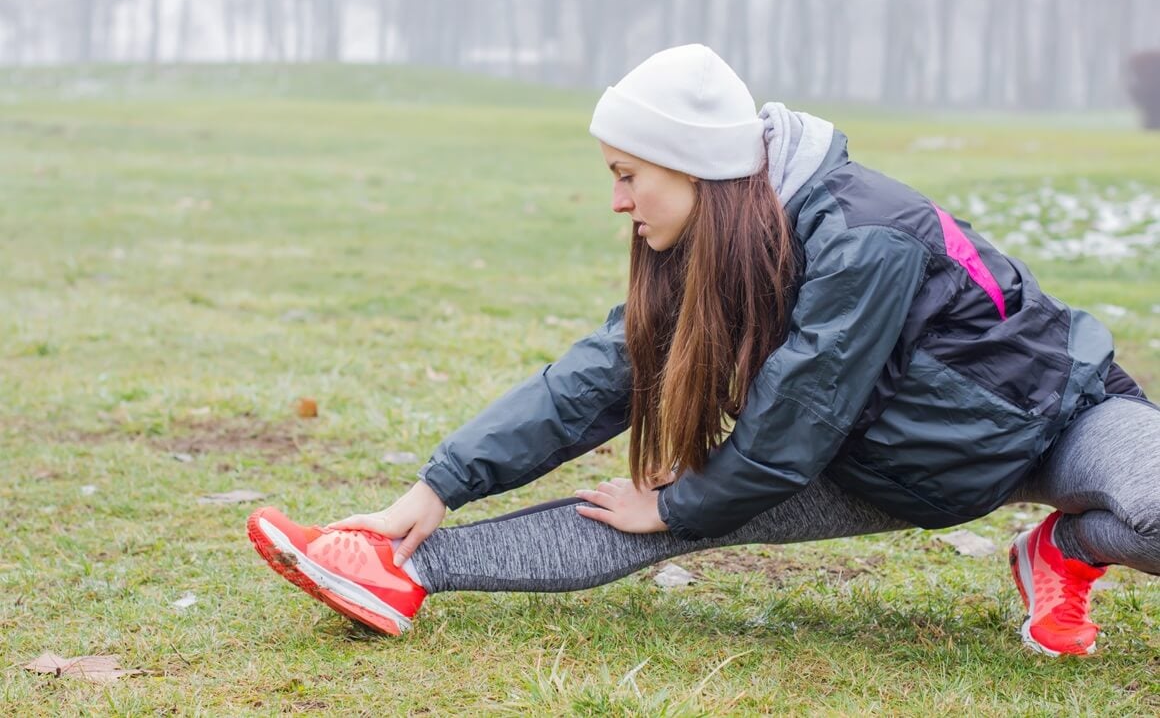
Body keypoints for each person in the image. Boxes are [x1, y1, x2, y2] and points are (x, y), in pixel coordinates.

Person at [247, 44, 1158, 657]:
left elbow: (794, 420)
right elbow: (597, 379)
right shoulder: (715, 245)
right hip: (887, 464)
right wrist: (437, 486)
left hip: (1056, 418)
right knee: (636, 513)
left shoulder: (862, 233)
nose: (617, 200)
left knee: (1153, 509)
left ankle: (1068, 546)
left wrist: (681, 505)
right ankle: (393, 567)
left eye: (627, 174)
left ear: (694, 167)